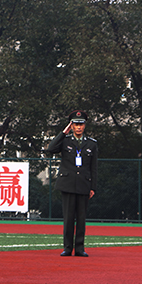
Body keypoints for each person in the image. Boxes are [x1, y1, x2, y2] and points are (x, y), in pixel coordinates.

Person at [46, 110, 98, 257]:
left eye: (81, 124)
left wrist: (93, 187)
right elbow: (51, 149)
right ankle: (67, 248)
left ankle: (80, 248)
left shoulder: (92, 144)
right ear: (72, 126)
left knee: (81, 218)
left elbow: (94, 167)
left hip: (83, 184)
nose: (79, 127)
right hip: (68, 183)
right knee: (68, 218)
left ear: (85, 126)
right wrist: (63, 132)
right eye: (75, 124)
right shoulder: (65, 141)